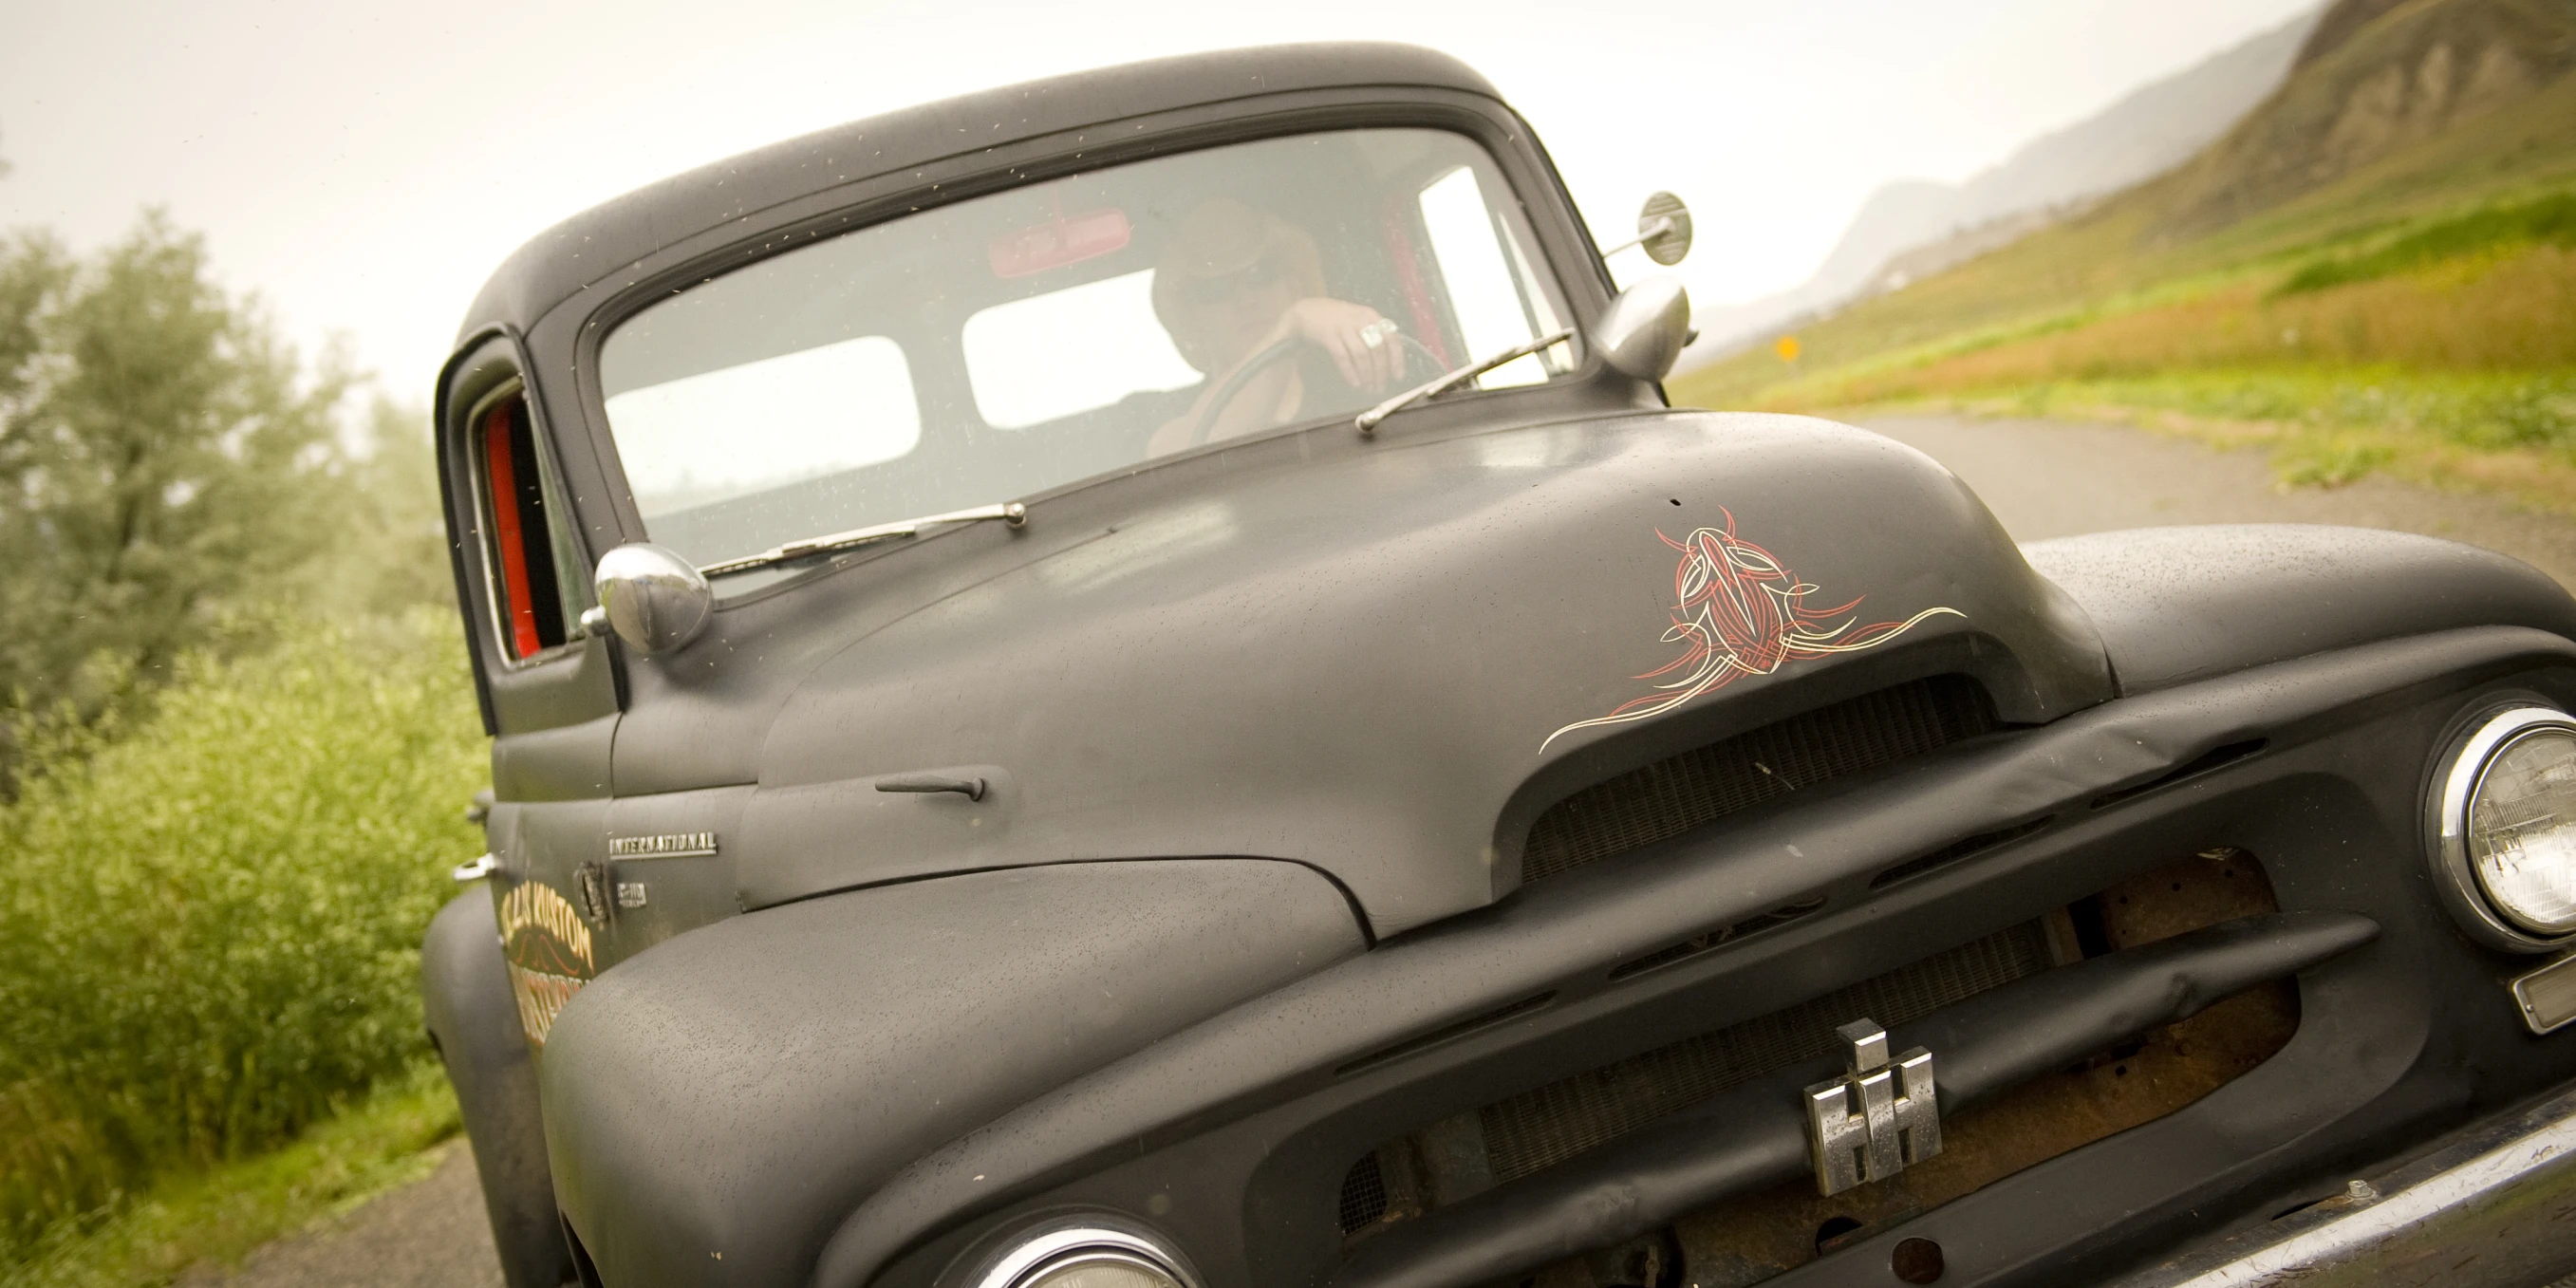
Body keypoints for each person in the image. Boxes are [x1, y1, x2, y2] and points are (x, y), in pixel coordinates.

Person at [1145, 197, 1408, 456]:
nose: (1246, 299)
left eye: (1261, 274)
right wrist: (1290, 326)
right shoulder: (1158, 414)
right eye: (1216, 289)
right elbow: (1193, 450)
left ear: (1294, 289)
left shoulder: (1367, 394)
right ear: (1191, 320)